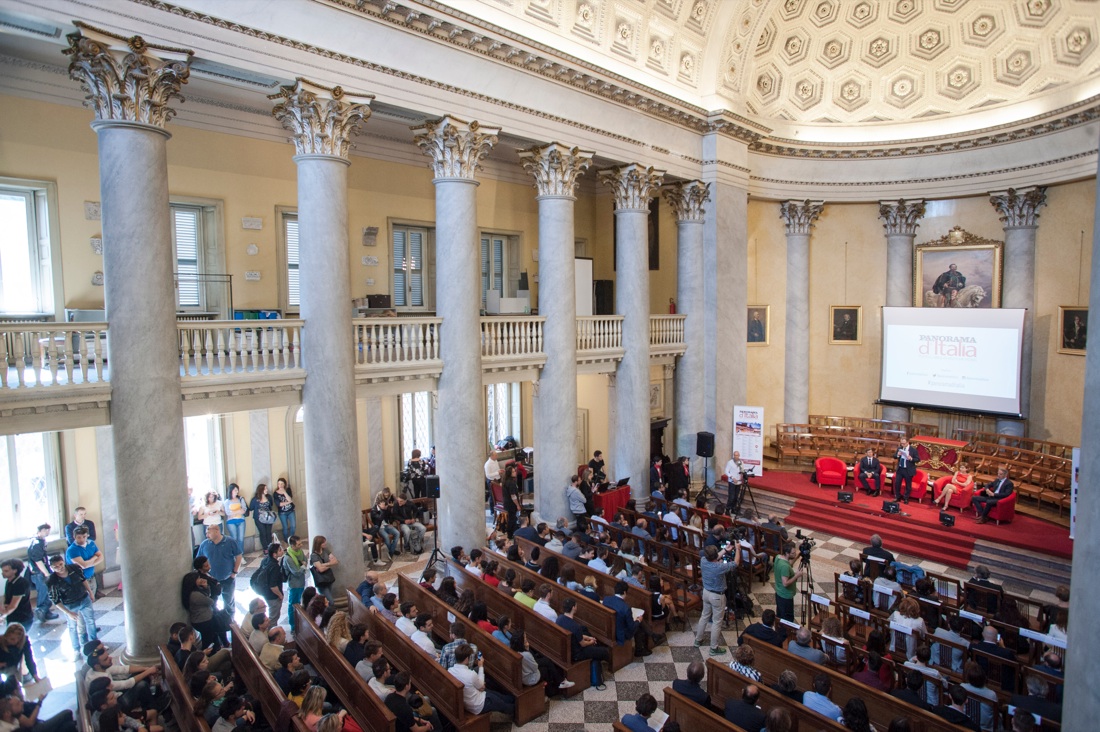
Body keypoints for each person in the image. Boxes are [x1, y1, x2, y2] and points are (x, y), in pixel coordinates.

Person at [694, 543, 739, 656]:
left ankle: (698, 640)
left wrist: (724, 550)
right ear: (715, 556)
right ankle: (714, 648)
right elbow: (736, 563)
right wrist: (737, 549)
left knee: (704, 616)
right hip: (717, 596)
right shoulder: (719, 567)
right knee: (717, 622)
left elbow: (714, 557)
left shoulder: (703, 560)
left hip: (706, 592)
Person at [46, 554, 97, 651]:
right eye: (56, 567)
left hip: (84, 598)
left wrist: (90, 592)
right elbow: (55, 600)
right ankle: (76, 649)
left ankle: (94, 644)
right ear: (52, 568)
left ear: (64, 562)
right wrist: (68, 612)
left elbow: (83, 580)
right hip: (70, 604)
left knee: (90, 621)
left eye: (61, 564)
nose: (59, 568)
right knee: (72, 627)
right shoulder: (52, 581)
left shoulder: (74, 568)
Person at [449, 644, 515, 717]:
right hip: (479, 704)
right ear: (467, 659)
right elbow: (482, 686)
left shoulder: (450, 671)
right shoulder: (470, 674)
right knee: (502, 704)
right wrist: (480, 666)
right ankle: (517, 709)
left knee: (497, 695)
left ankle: (511, 699)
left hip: (469, 701)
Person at [556, 598, 610, 688]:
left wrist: (588, 637)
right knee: (604, 651)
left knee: (594, 645)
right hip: (577, 653)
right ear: (574, 607)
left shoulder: (560, 619)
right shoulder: (575, 626)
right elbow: (583, 644)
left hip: (567, 649)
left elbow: (575, 635)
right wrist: (591, 641)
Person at [510, 629, 572, 696]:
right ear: (522, 642)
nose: (526, 639)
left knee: (546, 662)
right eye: (525, 638)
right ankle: (552, 691)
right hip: (529, 678)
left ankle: (559, 682)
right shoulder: (526, 655)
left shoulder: (513, 650)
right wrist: (527, 649)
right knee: (545, 670)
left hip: (523, 675)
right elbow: (535, 667)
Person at [197, 524, 242, 613]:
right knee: (213, 603)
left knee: (229, 602)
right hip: (211, 580)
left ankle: (230, 621)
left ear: (217, 531)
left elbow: (239, 556)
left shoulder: (230, 541)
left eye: (208, 532)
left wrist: (234, 572)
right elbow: (199, 561)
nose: (207, 535)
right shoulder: (205, 544)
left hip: (227, 578)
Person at [604, 580, 652, 657]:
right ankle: (639, 650)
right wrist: (638, 620)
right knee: (638, 626)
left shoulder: (606, 599)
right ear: (625, 592)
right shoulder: (626, 608)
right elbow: (631, 627)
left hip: (608, 628)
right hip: (621, 634)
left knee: (638, 623)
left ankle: (652, 636)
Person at [26, 524, 58, 623]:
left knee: (47, 592)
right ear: (41, 530)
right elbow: (38, 560)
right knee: (44, 592)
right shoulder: (36, 543)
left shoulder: (39, 541)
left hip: (39, 572)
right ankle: (41, 612)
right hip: (39, 573)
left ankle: (46, 612)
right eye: (46, 530)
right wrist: (46, 573)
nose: (48, 532)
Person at [64, 526, 103, 600]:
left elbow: (101, 557)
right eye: (79, 537)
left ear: (87, 535)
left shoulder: (91, 543)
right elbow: (83, 565)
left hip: (91, 576)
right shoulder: (72, 550)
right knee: (83, 602)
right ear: (74, 537)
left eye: (84, 537)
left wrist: (88, 563)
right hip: (79, 580)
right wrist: (94, 557)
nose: (81, 539)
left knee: (91, 600)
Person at [281, 535, 308, 634]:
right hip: (294, 584)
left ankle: (299, 622)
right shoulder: (288, 558)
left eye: (301, 543)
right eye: (298, 544)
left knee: (299, 602)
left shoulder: (299, 552)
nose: (301, 545)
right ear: (292, 545)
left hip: (301, 581)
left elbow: (305, 559)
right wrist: (303, 565)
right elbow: (296, 572)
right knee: (293, 605)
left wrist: (303, 565)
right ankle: (293, 626)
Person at [773, 542, 805, 623]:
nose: (794, 554)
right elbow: (785, 583)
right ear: (787, 553)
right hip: (785, 595)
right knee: (787, 618)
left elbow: (789, 563)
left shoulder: (778, 557)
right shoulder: (785, 567)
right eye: (793, 553)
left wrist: (798, 556)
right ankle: (786, 634)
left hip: (779, 592)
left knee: (780, 614)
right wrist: (797, 575)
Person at [0, 559, 35, 632]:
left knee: (18, 640)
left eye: (6, 571)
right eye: (2, 571)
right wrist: (3, 605)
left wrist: (3, 616)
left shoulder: (20, 584)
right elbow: (5, 595)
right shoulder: (9, 581)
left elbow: (13, 606)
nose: (2, 573)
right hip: (13, 616)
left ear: (15, 571)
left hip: (22, 618)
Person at [309, 536, 339, 601]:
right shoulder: (314, 555)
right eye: (323, 543)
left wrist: (323, 565)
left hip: (328, 578)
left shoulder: (325, 550)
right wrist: (330, 564)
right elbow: (321, 570)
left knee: (327, 599)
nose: (325, 544)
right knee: (330, 601)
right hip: (321, 581)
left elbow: (335, 561)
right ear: (318, 544)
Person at [249, 484, 276, 550]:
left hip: (268, 518)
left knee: (268, 532)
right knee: (263, 532)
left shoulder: (269, 497)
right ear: (261, 490)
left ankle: (270, 547)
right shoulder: (255, 499)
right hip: (259, 518)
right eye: (265, 489)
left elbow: (271, 505)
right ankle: (265, 548)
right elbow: (251, 507)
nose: (267, 490)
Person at [222, 484, 249, 549]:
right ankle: (235, 555)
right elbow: (228, 513)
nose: (237, 492)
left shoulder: (240, 499)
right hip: (231, 522)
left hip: (241, 520)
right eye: (235, 490)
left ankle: (241, 555)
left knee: (241, 539)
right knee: (234, 539)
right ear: (231, 491)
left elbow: (244, 510)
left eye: (237, 490)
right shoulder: (227, 501)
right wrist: (238, 511)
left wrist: (234, 513)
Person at [893, 437, 919, 504]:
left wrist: (911, 458)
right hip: (900, 469)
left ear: (908, 442)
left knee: (908, 485)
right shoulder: (899, 448)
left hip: (908, 470)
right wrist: (897, 455)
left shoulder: (913, 450)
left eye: (904, 443)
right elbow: (894, 456)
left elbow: (918, 459)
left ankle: (906, 498)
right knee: (897, 483)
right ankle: (897, 497)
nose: (902, 445)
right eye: (901, 443)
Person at [501, 464, 521, 538]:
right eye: (513, 472)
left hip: (506, 503)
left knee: (511, 518)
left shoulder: (505, 481)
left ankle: (511, 533)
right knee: (512, 519)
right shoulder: (511, 483)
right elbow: (513, 496)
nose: (515, 472)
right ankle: (510, 534)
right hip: (511, 504)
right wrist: (517, 505)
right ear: (510, 474)